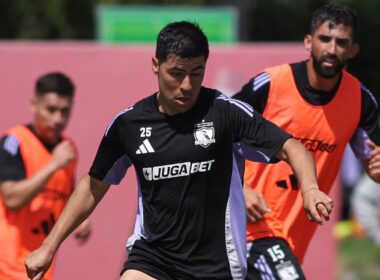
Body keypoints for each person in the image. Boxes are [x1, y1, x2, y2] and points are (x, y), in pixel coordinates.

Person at [24, 21, 332, 280]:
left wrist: (310, 189)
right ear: (156, 65)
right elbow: (93, 186)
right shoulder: (129, 124)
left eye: (196, 73)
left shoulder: (225, 113)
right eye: (177, 73)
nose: (186, 85)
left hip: (217, 265)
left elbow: (292, 146)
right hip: (153, 258)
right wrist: (49, 246)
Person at [233, 4, 380, 279]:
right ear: (308, 41)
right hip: (251, 226)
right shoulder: (271, 83)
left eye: (341, 42)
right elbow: (217, 134)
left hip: (292, 240)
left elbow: (374, 161)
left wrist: (376, 172)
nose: (332, 49)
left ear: (353, 50)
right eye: (325, 39)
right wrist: (240, 187)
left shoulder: (360, 100)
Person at [0, 72, 92, 280]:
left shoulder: (68, 149)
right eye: (51, 110)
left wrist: (80, 219)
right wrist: (52, 165)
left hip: (39, 269)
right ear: (34, 105)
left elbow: (64, 195)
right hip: (6, 269)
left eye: (64, 112)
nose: (57, 119)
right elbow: (12, 198)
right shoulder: (15, 142)